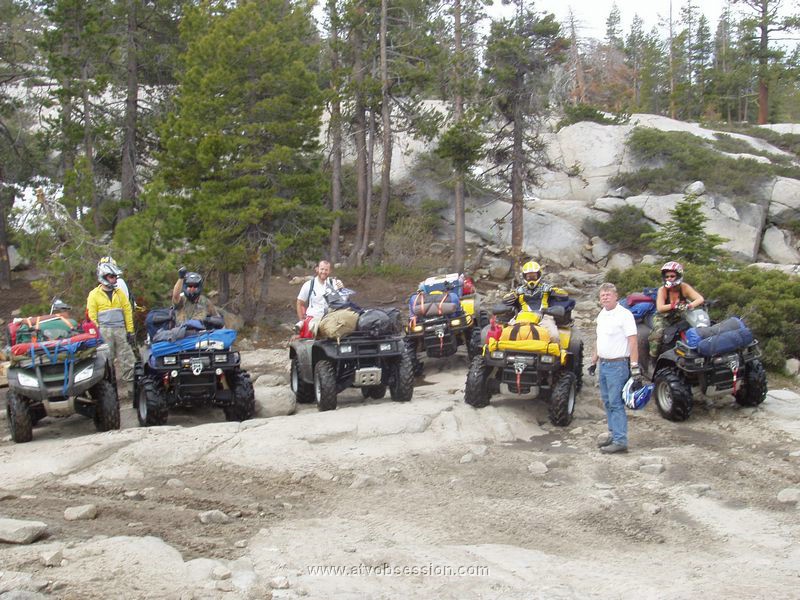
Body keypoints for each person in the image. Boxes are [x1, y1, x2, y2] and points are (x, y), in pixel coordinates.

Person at [589, 282, 640, 454]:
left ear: (616, 296)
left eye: (608, 295)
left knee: (616, 403)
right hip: (604, 364)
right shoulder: (602, 314)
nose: (605, 297)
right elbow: (599, 339)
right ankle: (612, 434)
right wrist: (593, 361)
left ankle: (620, 440)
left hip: (618, 365)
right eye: (602, 295)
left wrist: (634, 366)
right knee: (607, 401)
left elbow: (633, 341)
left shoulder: (624, 315)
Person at [87, 262, 136, 396]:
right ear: (103, 277)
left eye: (115, 276)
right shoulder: (94, 295)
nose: (114, 279)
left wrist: (130, 331)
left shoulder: (119, 293)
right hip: (104, 332)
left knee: (128, 360)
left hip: (120, 330)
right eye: (111, 276)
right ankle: (108, 394)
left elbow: (127, 311)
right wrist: (97, 334)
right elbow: (92, 316)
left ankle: (132, 392)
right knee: (105, 363)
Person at [648, 261, 704, 359]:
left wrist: (690, 305)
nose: (669, 278)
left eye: (672, 276)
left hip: (680, 316)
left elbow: (700, 299)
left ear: (678, 276)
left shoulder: (684, 287)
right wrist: (675, 305)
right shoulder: (663, 290)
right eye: (667, 276)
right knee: (658, 333)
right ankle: (653, 357)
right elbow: (660, 308)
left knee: (696, 329)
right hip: (663, 317)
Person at [503, 260, 566, 339]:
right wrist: (515, 294)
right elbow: (505, 299)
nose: (531, 279)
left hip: (543, 316)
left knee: (554, 335)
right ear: (524, 277)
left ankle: (557, 351)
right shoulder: (519, 290)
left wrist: (552, 290)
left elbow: (564, 294)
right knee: (506, 333)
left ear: (539, 275)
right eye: (529, 277)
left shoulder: (546, 287)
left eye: (534, 276)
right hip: (523, 315)